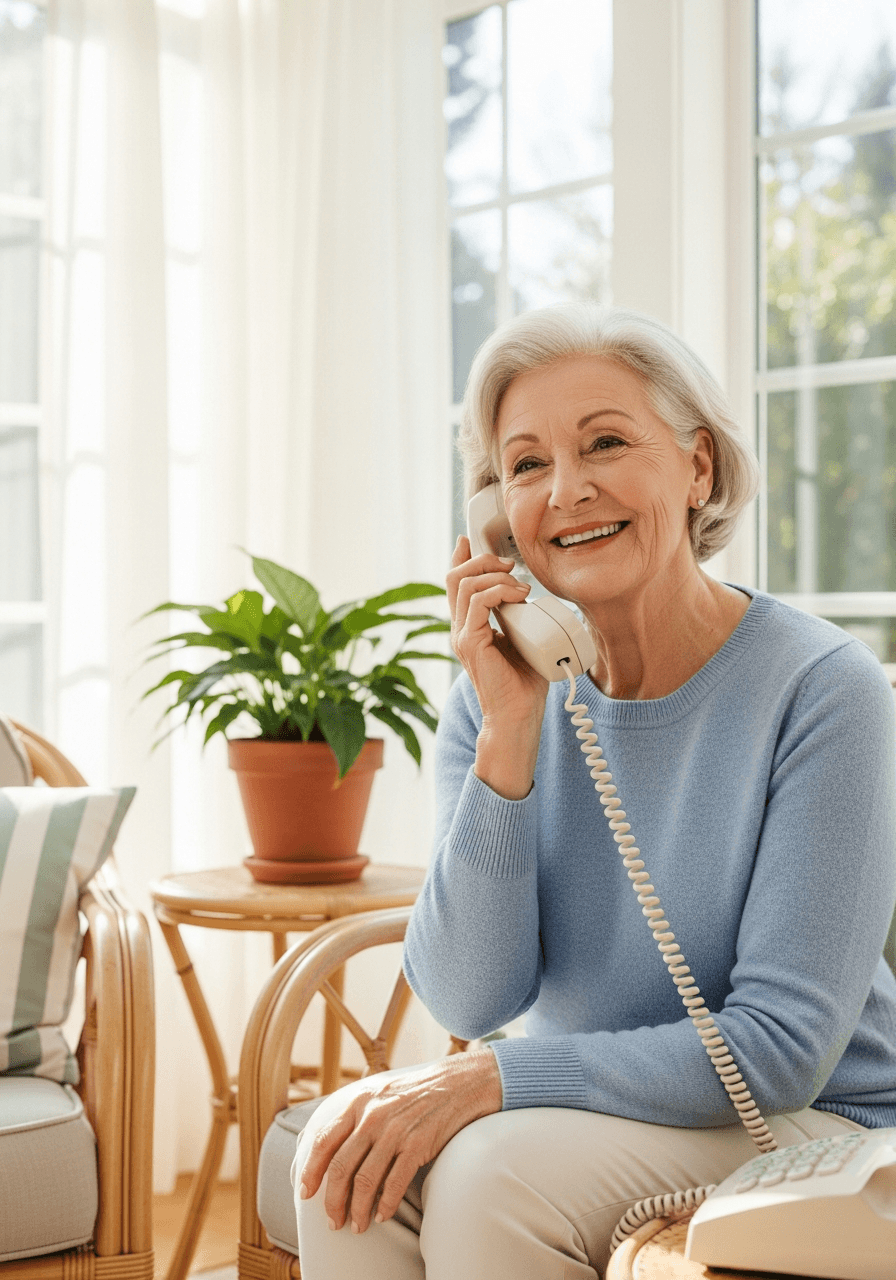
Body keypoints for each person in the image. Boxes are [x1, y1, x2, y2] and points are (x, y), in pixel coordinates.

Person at [292, 304, 896, 1279]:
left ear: (696, 465)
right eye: (524, 464)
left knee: (491, 1174)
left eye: (604, 442)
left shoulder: (823, 687)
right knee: (344, 1159)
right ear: (494, 518)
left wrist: (494, 1076)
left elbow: (780, 1048)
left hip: (812, 1125)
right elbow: (465, 990)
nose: (565, 490)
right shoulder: (496, 705)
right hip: (591, 1113)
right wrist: (506, 735)